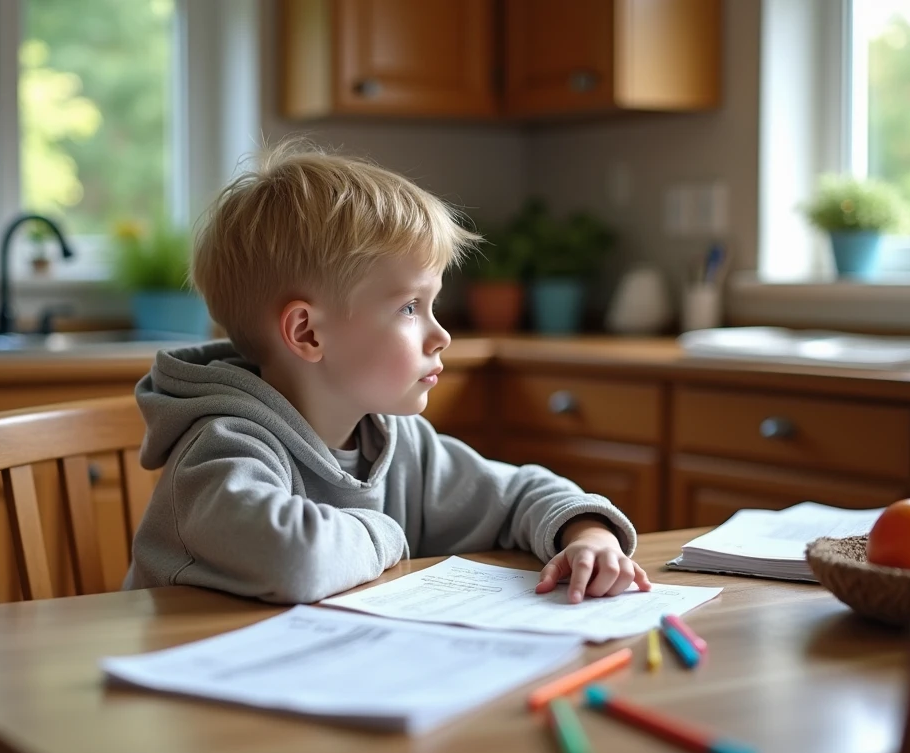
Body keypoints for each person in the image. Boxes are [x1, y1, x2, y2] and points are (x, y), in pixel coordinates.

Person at [122, 140, 651, 605]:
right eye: (409, 307)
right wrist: (390, 534)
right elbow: (293, 559)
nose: (441, 335)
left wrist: (588, 536)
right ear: (307, 333)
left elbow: (517, 495)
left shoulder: (397, 442)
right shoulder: (223, 446)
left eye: (433, 304)